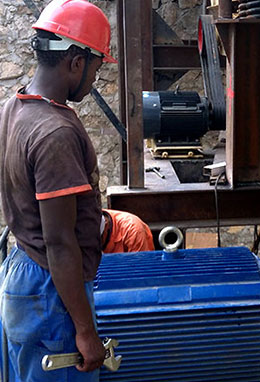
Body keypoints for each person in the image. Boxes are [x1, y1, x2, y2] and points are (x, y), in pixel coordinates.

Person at [0, 0, 116, 381]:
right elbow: (60, 241)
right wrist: (85, 331)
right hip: (52, 290)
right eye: (97, 67)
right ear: (76, 62)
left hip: (22, 270)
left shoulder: (12, 109)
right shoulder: (55, 133)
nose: (96, 78)